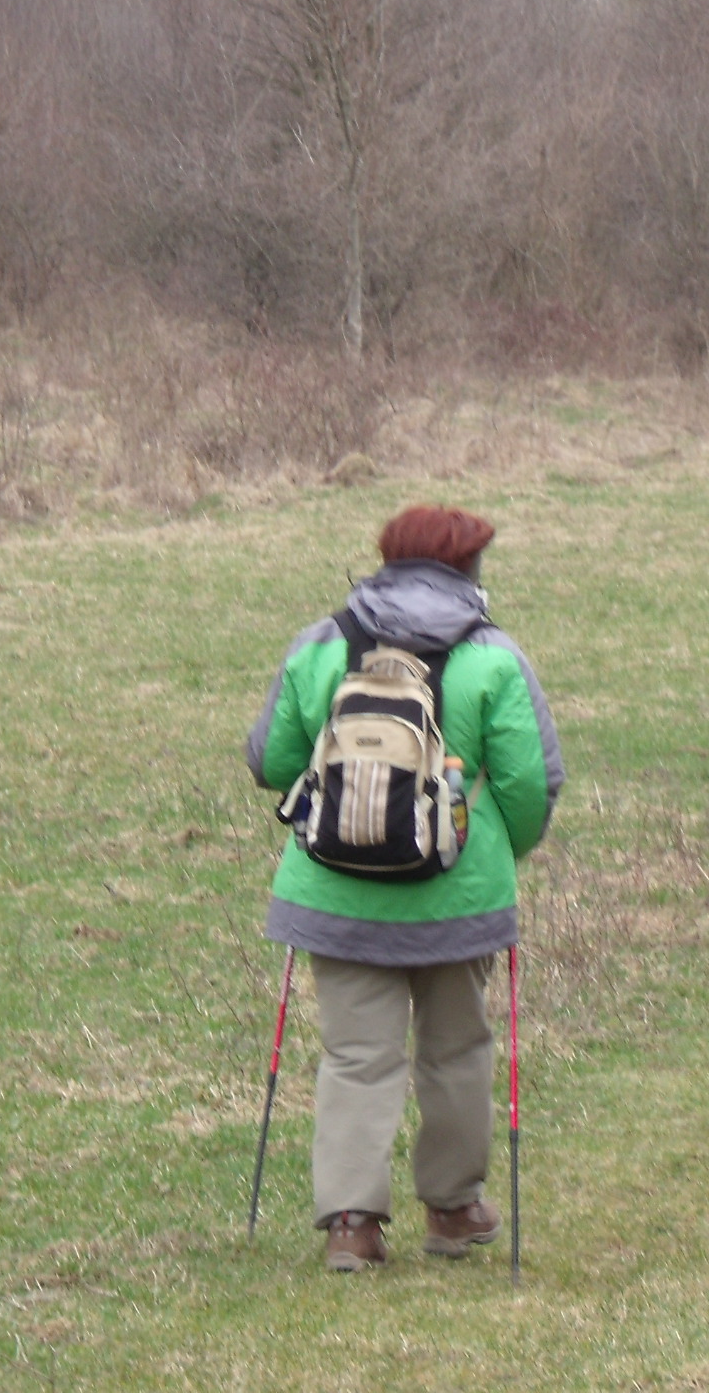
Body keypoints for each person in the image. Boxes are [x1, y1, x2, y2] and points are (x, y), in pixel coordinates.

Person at [245, 504, 565, 1273]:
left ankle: (351, 1227)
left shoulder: (322, 643)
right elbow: (531, 784)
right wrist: (498, 854)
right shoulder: (494, 658)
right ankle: (453, 1211)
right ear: (469, 568)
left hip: (334, 891)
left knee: (357, 1056)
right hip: (460, 894)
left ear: (387, 560)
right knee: (456, 1053)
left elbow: (270, 761)